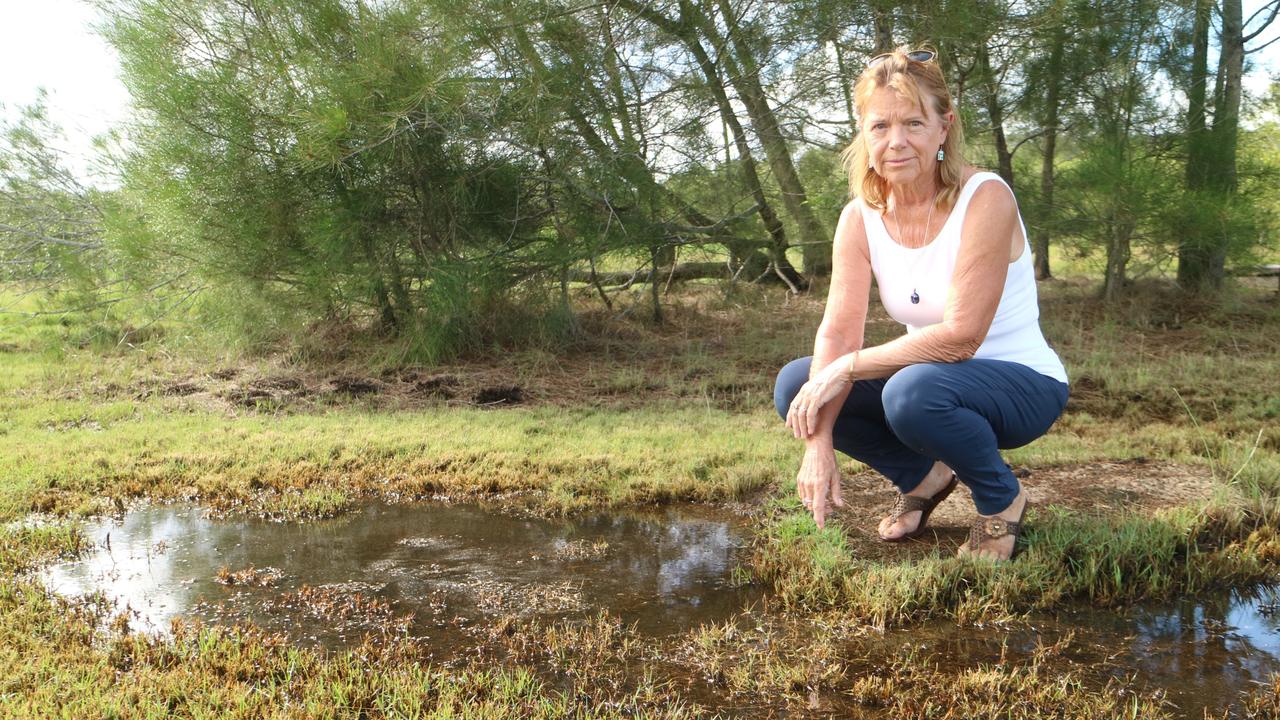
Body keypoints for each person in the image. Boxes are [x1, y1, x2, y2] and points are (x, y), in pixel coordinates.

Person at [772, 46, 1069, 561]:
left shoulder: (986, 197)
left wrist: (847, 369)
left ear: (943, 128)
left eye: (913, 122)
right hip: (929, 381)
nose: (896, 141)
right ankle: (924, 476)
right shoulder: (859, 217)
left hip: (1022, 384)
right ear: (863, 133)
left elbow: (961, 337)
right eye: (880, 126)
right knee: (798, 385)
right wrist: (817, 443)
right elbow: (838, 333)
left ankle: (1003, 500)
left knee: (909, 391)